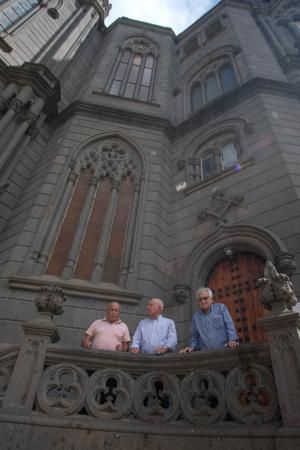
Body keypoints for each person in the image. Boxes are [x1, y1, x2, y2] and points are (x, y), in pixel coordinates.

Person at [180, 287, 239, 353]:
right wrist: (192, 347)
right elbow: (194, 336)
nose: (203, 301)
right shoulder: (195, 317)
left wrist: (232, 339)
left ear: (211, 299)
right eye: (200, 299)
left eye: (205, 298)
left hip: (224, 350)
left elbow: (229, 325)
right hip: (206, 354)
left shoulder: (221, 308)